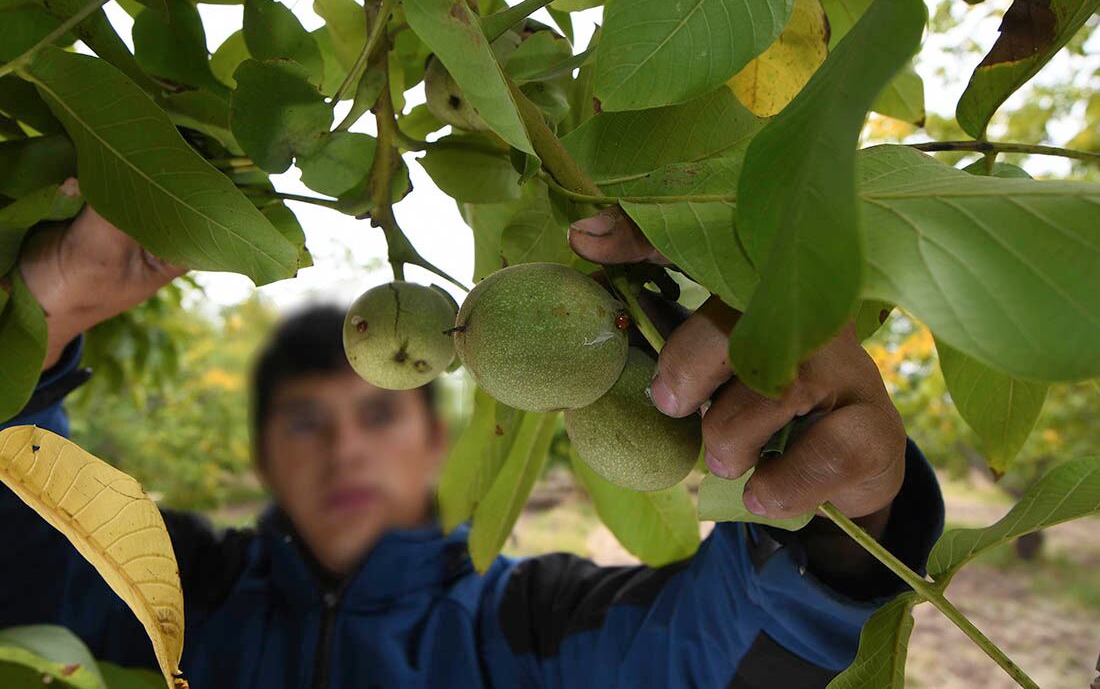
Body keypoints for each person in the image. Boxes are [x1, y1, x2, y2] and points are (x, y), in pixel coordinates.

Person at [1, 201, 944, 688]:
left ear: (434, 438)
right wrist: (37, 324)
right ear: (261, 454)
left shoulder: (525, 625)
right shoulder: (172, 592)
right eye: (303, 421)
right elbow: (24, 534)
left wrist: (835, 523)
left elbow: (707, 660)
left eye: (377, 413)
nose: (344, 449)